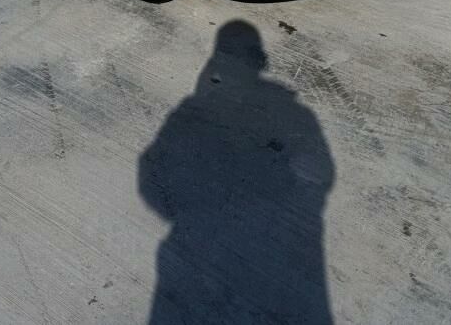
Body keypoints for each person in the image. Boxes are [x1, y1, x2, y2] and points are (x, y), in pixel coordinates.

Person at [139, 20, 335, 324]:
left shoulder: (193, 110)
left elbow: (150, 175)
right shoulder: (296, 113)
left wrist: (186, 213)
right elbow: (322, 174)